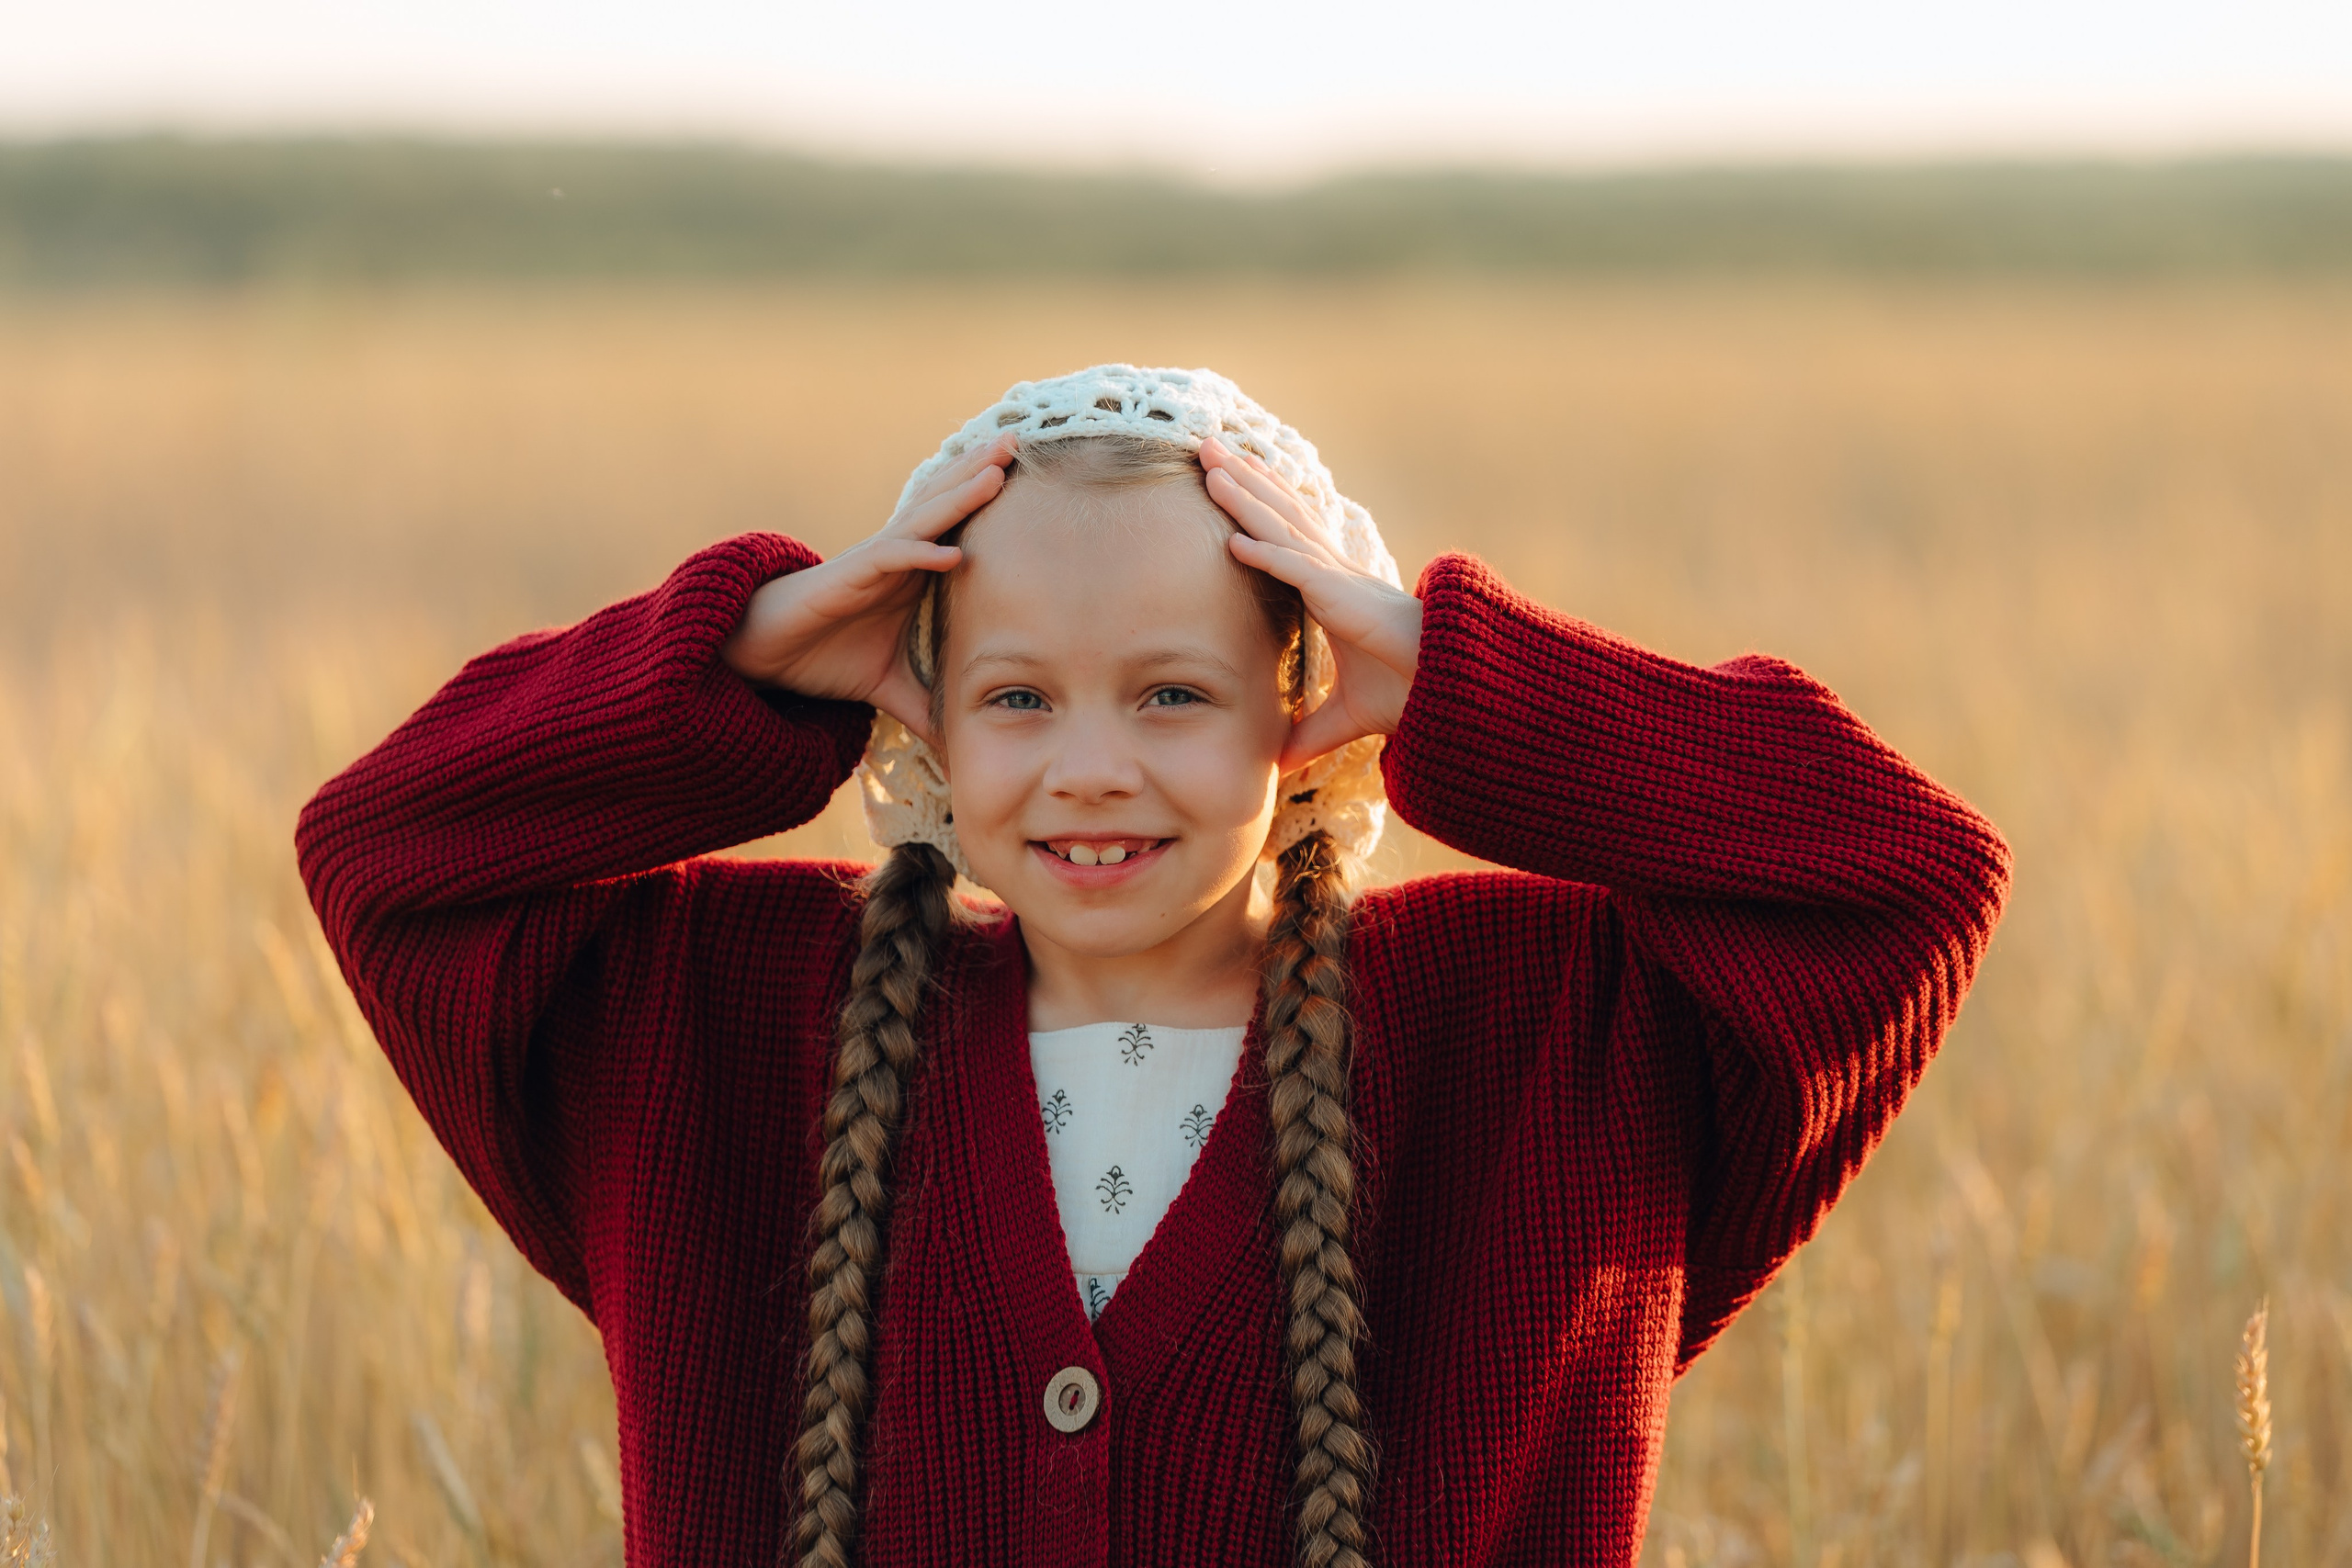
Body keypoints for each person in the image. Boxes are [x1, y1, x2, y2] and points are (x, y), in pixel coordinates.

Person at [296, 365, 2009, 1567]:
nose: (1092, 766)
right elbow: (389, 852)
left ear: (1305, 693)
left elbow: (1903, 877)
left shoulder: (1554, 1043)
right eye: (1019, 696)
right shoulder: (719, 1039)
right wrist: (740, 664)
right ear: (921, 711)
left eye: (1174, 693)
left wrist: (1459, 676)